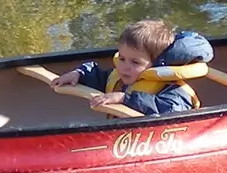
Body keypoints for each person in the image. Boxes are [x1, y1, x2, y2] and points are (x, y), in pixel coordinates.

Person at [45, 19, 212, 116]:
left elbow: (168, 110)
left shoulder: (174, 91)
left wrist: (125, 98)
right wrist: (79, 74)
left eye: (135, 62)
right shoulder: (122, 76)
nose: (124, 67)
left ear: (157, 64)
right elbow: (99, 77)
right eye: (122, 58)